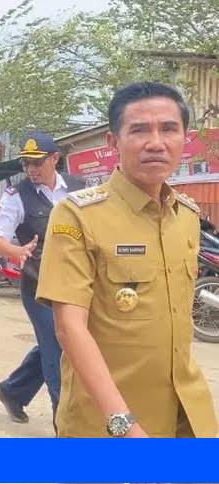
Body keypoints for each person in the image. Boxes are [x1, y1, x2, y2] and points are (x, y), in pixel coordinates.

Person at [37, 81, 218, 437]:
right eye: (139, 130)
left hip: (188, 415)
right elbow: (69, 328)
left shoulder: (186, 215)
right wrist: (123, 424)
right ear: (113, 141)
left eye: (169, 129)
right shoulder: (78, 215)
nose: (156, 142)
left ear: (184, 138)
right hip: (106, 424)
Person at [0, 132, 85, 424]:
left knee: (58, 342)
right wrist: (17, 251)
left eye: (37, 162)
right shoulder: (16, 196)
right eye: (26, 163)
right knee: (58, 349)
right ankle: (63, 426)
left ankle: (13, 391)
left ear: (55, 158)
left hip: (77, 283)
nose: (31, 169)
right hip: (38, 286)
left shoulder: (80, 188)